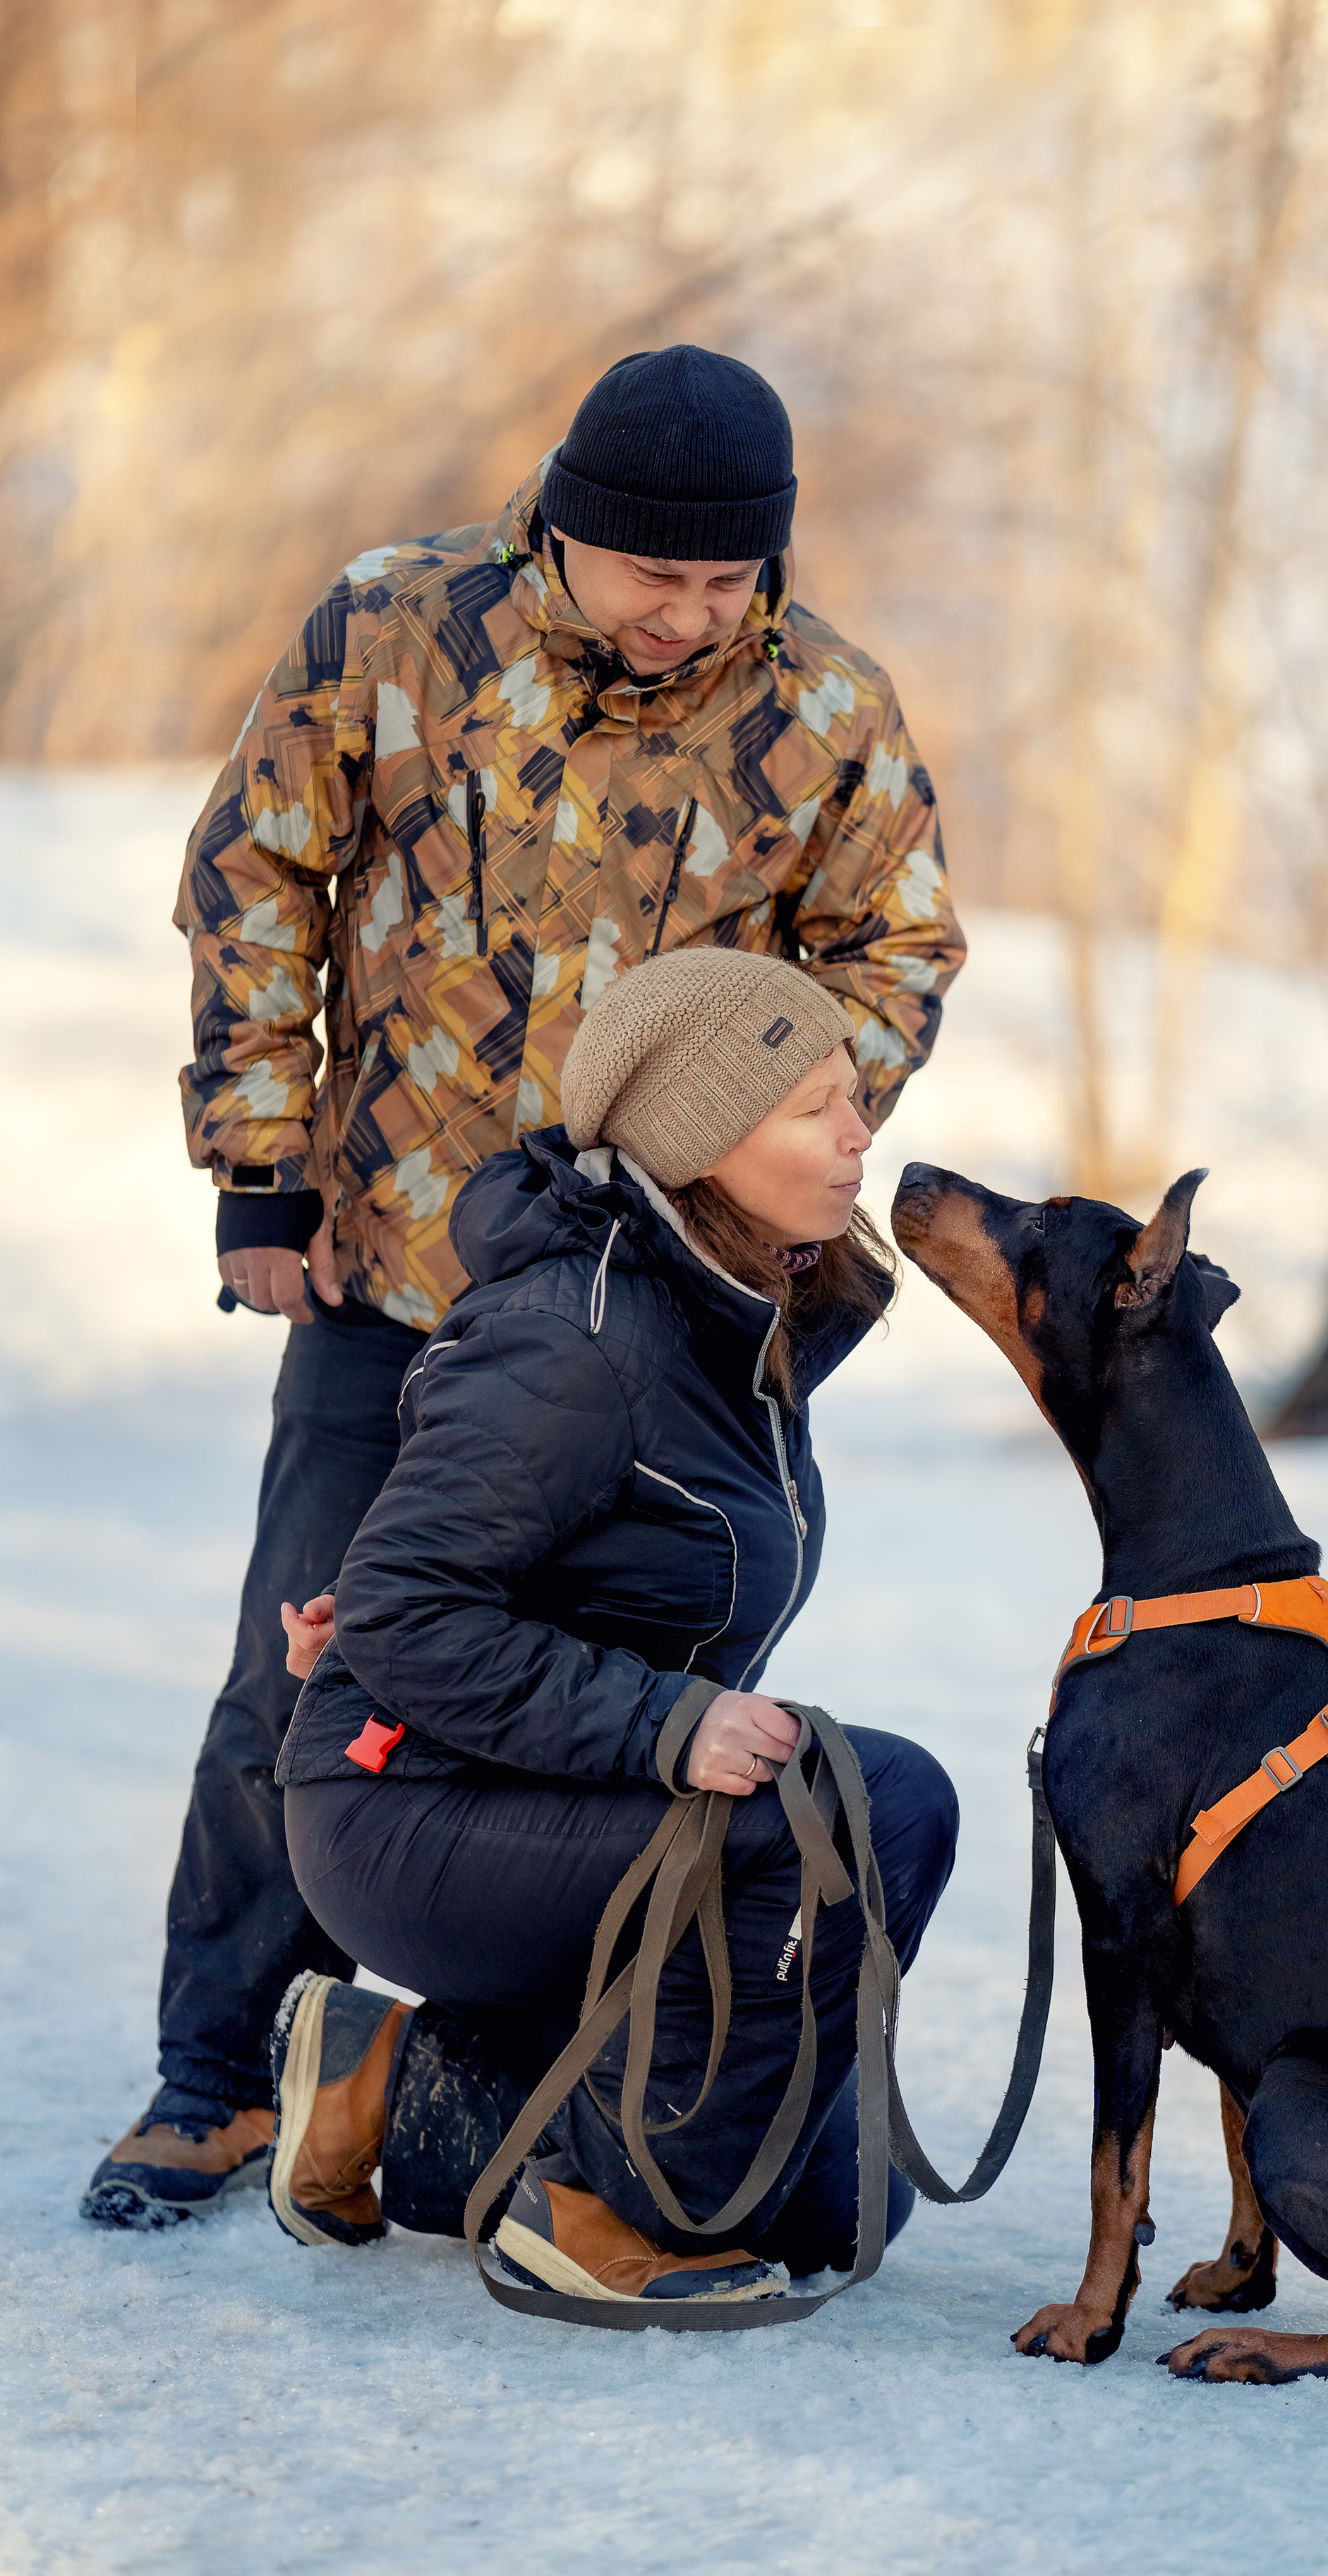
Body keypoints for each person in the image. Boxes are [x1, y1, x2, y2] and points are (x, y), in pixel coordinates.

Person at [85, 346, 965, 2229]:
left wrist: (776, 1130)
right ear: (565, 528)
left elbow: (896, 953)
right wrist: (260, 1164)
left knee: (646, 1697)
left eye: (730, 584)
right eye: (660, 578)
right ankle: (218, 2077)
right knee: (314, 1657)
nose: (692, 617)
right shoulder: (399, 630)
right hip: (395, 1260)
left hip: (672, 1316)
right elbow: (257, 874)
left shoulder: (823, 709)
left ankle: (533, 2085)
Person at [266, 950, 958, 2300]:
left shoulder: (730, 1315)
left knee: (837, 2199)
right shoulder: (580, 1340)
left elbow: (533, 1567)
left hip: (555, 1789)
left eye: (855, 1097)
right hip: (410, 1807)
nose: (862, 1132)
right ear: (703, 1140)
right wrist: (668, 1722)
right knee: (880, 1803)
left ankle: (383, 2074)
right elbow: (411, 1608)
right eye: (816, 1105)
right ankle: (589, 2214)